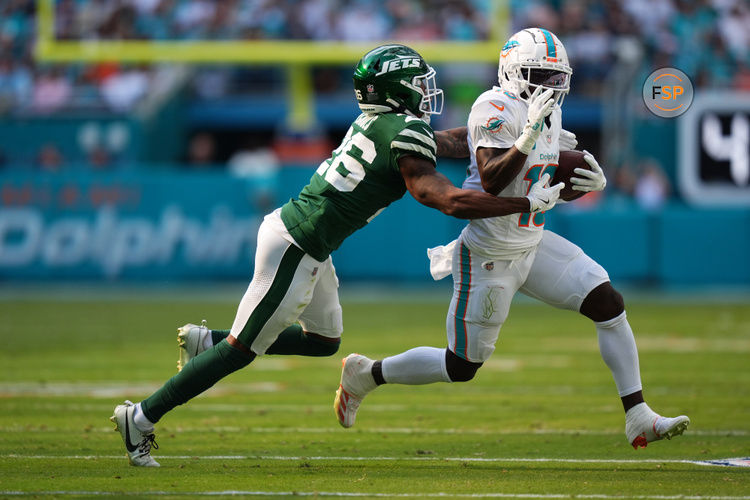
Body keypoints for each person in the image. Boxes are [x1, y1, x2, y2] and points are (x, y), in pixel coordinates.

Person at [110, 43, 564, 467]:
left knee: (325, 341)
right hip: (297, 244)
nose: (427, 91)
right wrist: (527, 201)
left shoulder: (381, 122)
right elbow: (449, 201)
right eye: (419, 82)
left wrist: (521, 135)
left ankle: (204, 342)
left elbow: (452, 141)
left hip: (309, 242)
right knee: (241, 351)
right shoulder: (403, 132)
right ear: (399, 88)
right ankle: (142, 417)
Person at [332, 29, 690, 450]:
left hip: (531, 243)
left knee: (608, 303)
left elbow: (541, 173)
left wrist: (586, 178)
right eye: (540, 74)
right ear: (512, 70)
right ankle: (367, 374)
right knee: (462, 365)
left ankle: (638, 416)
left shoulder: (545, 111)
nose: (550, 86)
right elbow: (493, 178)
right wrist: (529, 135)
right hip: (487, 253)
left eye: (557, 77)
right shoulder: (494, 105)